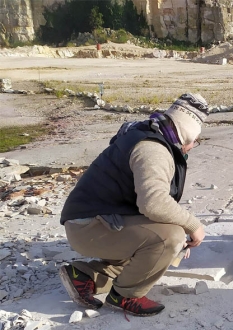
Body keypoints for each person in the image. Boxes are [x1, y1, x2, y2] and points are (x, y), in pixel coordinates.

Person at [58, 93, 209, 317]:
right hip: (89, 227)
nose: (192, 147)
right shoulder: (153, 150)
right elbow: (154, 203)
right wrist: (192, 225)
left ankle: (84, 275)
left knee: (155, 255)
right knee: (170, 238)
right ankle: (125, 295)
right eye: (195, 141)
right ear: (187, 133)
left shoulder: (150, 134)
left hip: (96, 221)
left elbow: (150, 202)